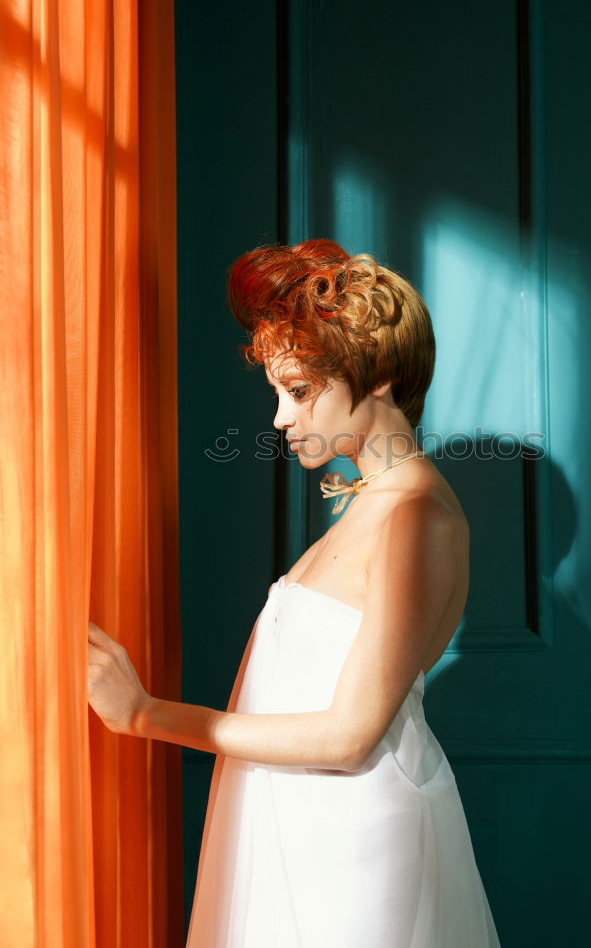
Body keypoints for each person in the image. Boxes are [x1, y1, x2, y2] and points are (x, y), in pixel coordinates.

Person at [87, 239, 502, 947]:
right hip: (300, 825)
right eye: (279, 392)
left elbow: (346, 737)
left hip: (357, 844)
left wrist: (145, 715)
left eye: (301, 391)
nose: (281, 418)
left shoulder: (416, 516)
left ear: (378, 377)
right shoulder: (376, 505)